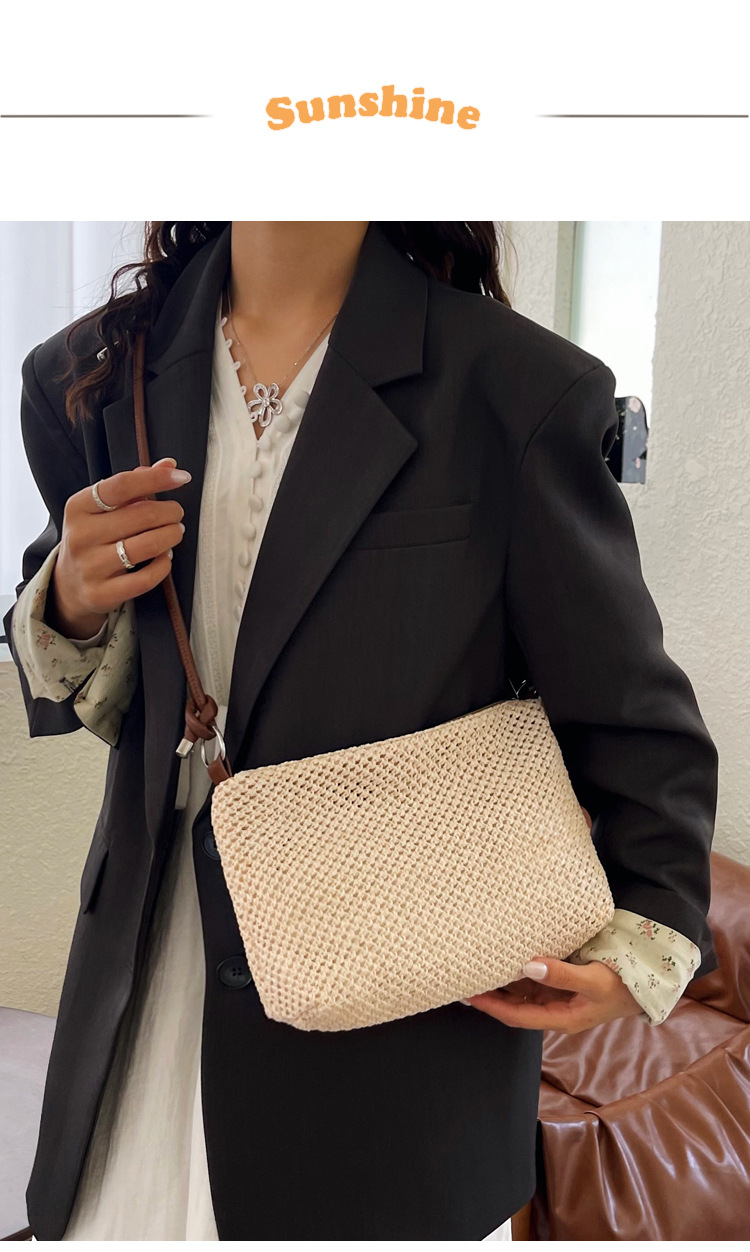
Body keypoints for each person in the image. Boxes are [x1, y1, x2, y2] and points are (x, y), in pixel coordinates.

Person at [4, 221, 718, 1241]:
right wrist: (67, 599)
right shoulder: (92, 372)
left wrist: (645, 940)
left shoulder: (515, 389)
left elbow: (633, 712)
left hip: (396, 1047)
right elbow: (102, 673)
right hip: (143, 996)